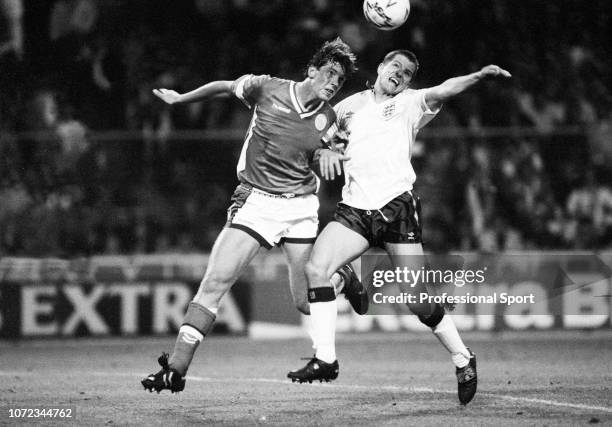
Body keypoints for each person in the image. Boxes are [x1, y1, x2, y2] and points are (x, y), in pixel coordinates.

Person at [140, 38, 366, 394]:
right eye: (330, 74)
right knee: (215, 282)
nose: (333, 84)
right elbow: (225, 87)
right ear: (311, 70)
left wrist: (331, 154)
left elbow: (332, 153)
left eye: (339, 81)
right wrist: (182, 98)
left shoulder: (329, 119)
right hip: (257, 203)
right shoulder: (266, 88)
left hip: (300, 208)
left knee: (306, 304)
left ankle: (339, 277)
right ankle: (176, 369)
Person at [287, 49, 511, 406]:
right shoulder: (345, 108)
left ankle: (462, 358)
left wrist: (478, 76)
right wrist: (323, 152)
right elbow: (317, 141)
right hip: (355, 211)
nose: (400, 75)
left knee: (416, 300)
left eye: (407, 73)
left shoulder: (411, 103)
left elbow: (443, 90)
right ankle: (326, 355)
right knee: (315, 269)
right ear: (380, 67)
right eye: (395, 67)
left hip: (397, 209)